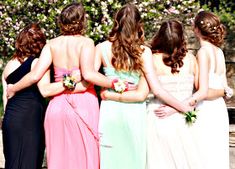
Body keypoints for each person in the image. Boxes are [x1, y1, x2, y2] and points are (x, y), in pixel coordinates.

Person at [6, 3, 115, 169]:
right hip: (83, 106)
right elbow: (88, 76)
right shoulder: (86, 43)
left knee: (59, 161)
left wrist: (13, 88)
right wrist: (115, 83)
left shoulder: (51, 45)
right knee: (85, 159)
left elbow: (35, 76)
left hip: (56, 107)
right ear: (82, 21)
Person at [95, 4, 149, 169]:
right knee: (134, 159)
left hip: (110, 110)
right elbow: (141, 95)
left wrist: (109, 93)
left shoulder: (101, 48)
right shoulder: (144, 52)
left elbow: (89, 74)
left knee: (110, 159)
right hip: (135, 113)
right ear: (139, 25)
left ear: (116, 23)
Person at [189, 11, 232, 169]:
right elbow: (225, 87)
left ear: (197, 29)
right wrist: (224, 92)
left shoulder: (203, 52)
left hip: (206, 108)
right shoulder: (219, 52)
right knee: (217, 154)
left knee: (203, 153)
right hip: (219, 109)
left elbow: (203, 91)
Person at [1, 23, 47, 169]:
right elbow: (44, 89)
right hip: (30, 120)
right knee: (30, 161)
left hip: (11, 119)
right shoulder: (37, 63)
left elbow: (5, 97)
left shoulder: (9, 64)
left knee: (12, 162)